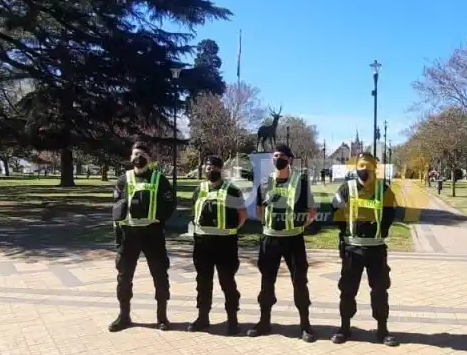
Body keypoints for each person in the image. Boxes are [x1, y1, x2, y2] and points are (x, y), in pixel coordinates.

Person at [249, 144, 318, 342]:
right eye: (275, 155)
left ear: (290, 159)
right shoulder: (264, 183)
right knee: (266, 280)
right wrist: (271, 225)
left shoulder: (301, 182)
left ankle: (305, 325)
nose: (277, 159)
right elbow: (261, 209)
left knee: (299, 281)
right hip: (270, 239)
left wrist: (297, 225)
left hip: (293, 239)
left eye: (281, 156)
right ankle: (264, 322)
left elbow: (311, 210)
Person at [108, 140, 177, 332]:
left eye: (142, 155)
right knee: (124, 276)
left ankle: (162, 317)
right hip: (128, 234)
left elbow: (170, 204)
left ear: (149, 158)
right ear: (130, 157)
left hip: (152, 234)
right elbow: (116, 207)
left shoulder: (159, 179)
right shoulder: (123, 180)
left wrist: (158, 219)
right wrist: (117, 234)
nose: (138, 158)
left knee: (160, 275)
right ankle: (124, 316)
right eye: (135, 154)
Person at [331, 152, 399, 346]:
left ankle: (382, 329)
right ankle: (344, 328)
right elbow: (334, 209)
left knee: (380, 289)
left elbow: (390, 213)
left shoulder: (383, 189)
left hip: (376, 248)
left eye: (367, 167)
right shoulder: (346, 188)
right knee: (347, 289)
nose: (364, 170)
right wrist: (346, 231)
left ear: (374, 169)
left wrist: (380, 230)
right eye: (360, 166)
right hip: (352, 248)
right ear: (356, 168)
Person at [188, 155, 246, 335]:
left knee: (227, 281)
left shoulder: (232, 190)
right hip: (202, 244)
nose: (208, 169)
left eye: (212, 166)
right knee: (203, 282)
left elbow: (242, 214)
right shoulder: (199, 189)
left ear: (220, 169)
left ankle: (232, 319)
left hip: (225, 244)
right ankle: (202, 317)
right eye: (206, 165)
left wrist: (231, 229)